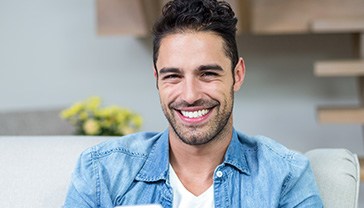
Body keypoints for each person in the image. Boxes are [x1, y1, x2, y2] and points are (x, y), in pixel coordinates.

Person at [64, 0, 323, 207]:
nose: (189, 95)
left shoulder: (286, 176)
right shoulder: (102, 172)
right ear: (157, 80)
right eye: (173, 76)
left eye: (208, 73)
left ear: (237, 75)